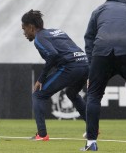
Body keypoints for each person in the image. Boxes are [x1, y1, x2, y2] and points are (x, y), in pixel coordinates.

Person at [81, 0, 126, 151]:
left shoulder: (98, 10)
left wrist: (92, 68)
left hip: (102, 52)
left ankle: (91, 143)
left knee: (94, 95)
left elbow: (89, 39)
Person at [21, 9, 89, 141]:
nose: (24, 33)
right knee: (72, 93)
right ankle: (93, 128)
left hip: (71, 67)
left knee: (38, 95)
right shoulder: (57, 31)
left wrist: (41, 78)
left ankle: (42, 135)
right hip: (85, 63)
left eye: (24, 29)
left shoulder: (39, 38)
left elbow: (53, 55)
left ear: (31, 27)